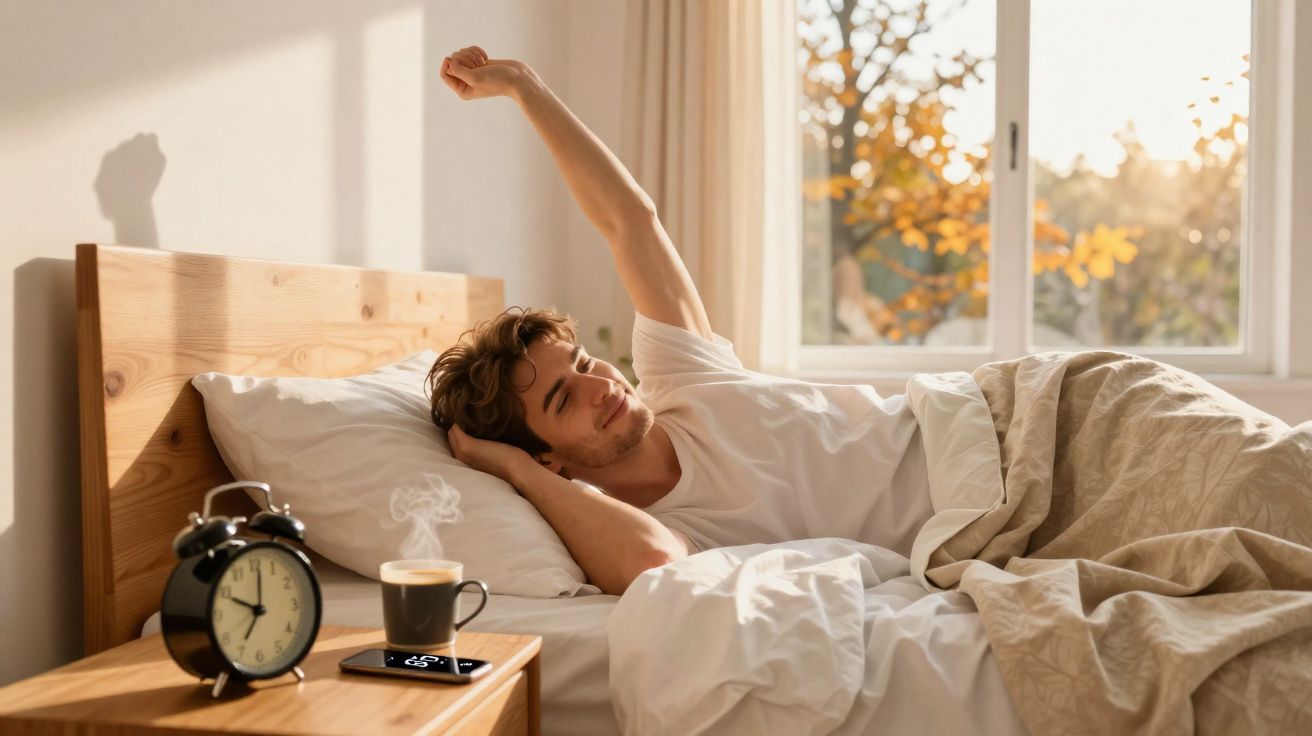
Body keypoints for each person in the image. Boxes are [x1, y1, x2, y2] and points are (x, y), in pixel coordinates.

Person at [429, 45, 934, 596]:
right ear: (545, 456)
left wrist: (525, 85)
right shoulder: (669, 529)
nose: (601, 385)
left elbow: (630, 221)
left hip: (983, 420)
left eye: (583, 363)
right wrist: (517, 473)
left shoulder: (683, 378)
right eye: (562, 399)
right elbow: (648, 561)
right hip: (986, 517)